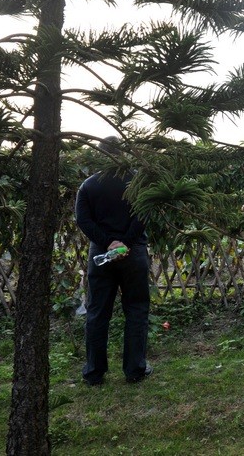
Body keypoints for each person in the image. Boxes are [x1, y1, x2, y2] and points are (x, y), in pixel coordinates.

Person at [75, 136, 151, 385]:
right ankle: (135, 370)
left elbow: (83, 220)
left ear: (101, 154)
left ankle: (94, 373)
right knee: (136, 309)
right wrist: (125, 243)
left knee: (97, 312)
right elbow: (143, 215)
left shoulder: (88, 185)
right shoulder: (137, 182)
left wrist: (108, 243)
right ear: (122, 153)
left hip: (101, 255)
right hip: (133, 253)